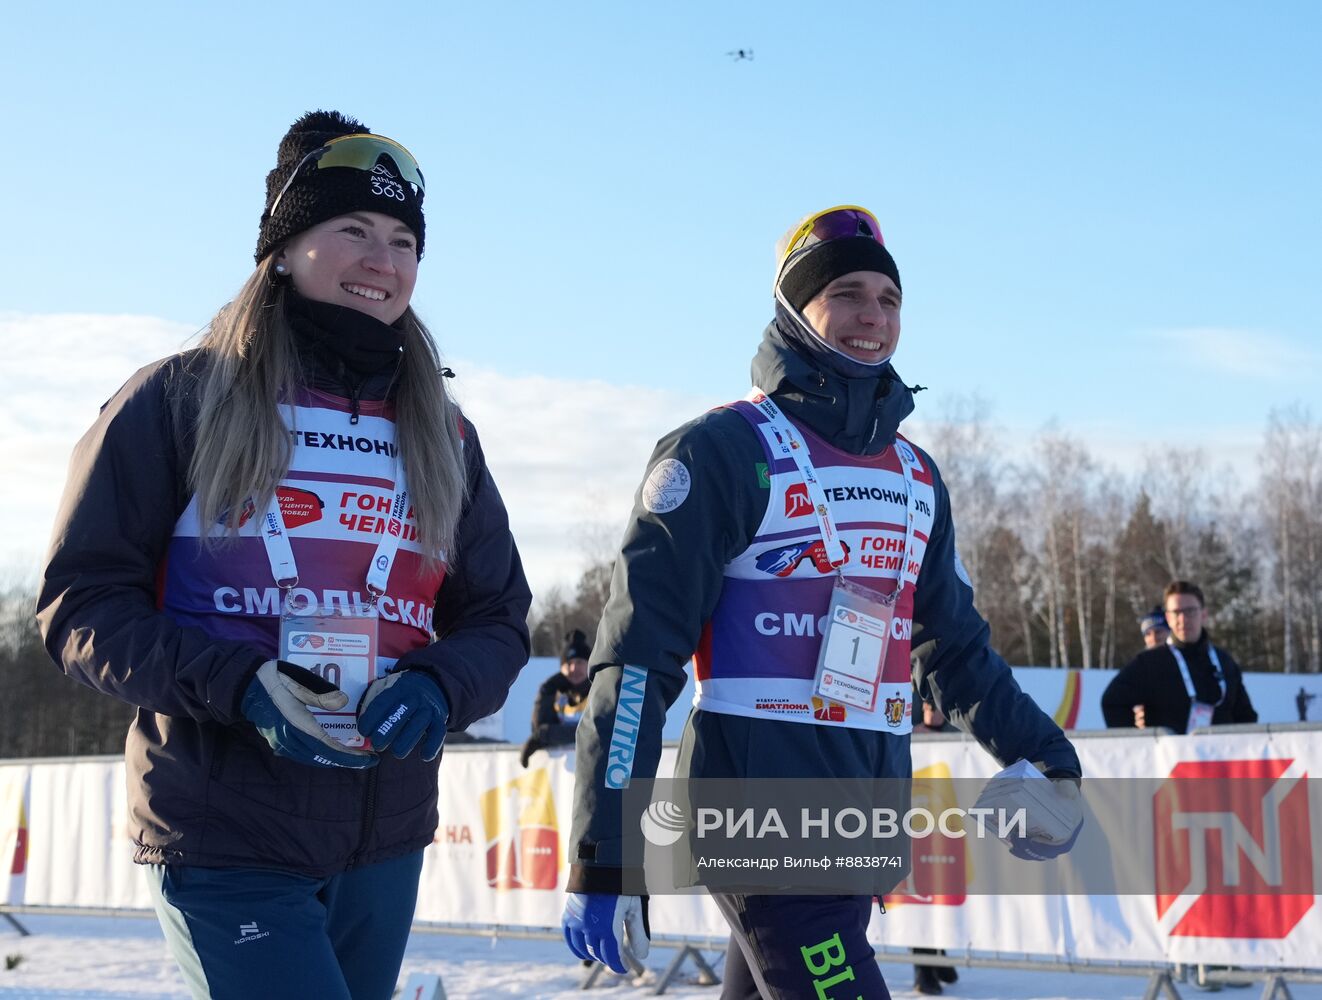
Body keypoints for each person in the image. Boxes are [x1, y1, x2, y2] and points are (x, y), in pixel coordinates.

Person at [35, 111, 531, 1000]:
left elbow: (496, 618)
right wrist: (238, 685)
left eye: (403, 240)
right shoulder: (178, 401)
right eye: (352, 231)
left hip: (385, 834)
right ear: (284, 248)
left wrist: (438, 686)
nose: (383, 260)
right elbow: (81, 606)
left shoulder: (443, 434)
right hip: (226, 830)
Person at [560, 205, 1083, 998]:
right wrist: (607, 848)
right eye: (846, 293)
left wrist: (1047, 756)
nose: (872, 317)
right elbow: (637, 658)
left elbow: (952, 648)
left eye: (889, 298)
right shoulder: (723, 449)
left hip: (861, 808)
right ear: (795, 309)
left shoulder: (915, 475)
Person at [1102, 581, 1257, 733]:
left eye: (1190, 611)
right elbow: (1112, 702)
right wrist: (1141, 743)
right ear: (1168, 618)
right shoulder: (1150, 663)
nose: (1183, 620)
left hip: (1221, 756)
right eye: (1176, 612)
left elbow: (1246, 717)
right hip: (1172, 758)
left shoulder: (1224, 661)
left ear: (1203, 614)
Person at [909, 689, 959, 996]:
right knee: (919, 897)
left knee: (943, 896)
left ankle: (938, 957)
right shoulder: (910, 732)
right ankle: (923, 968)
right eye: (926, 704)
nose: (930, 709)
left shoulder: (956, 738)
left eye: (935, 704)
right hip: (914, 825)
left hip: (947, 828)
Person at [520, 628, 593, 767]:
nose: (573, 669)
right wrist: (547, 690)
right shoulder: (558, 697)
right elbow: (539, 728)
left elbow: (592, 733)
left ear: (589, 665)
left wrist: (546, 735)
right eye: (569, 663)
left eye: (579, 662)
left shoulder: (598, 692)